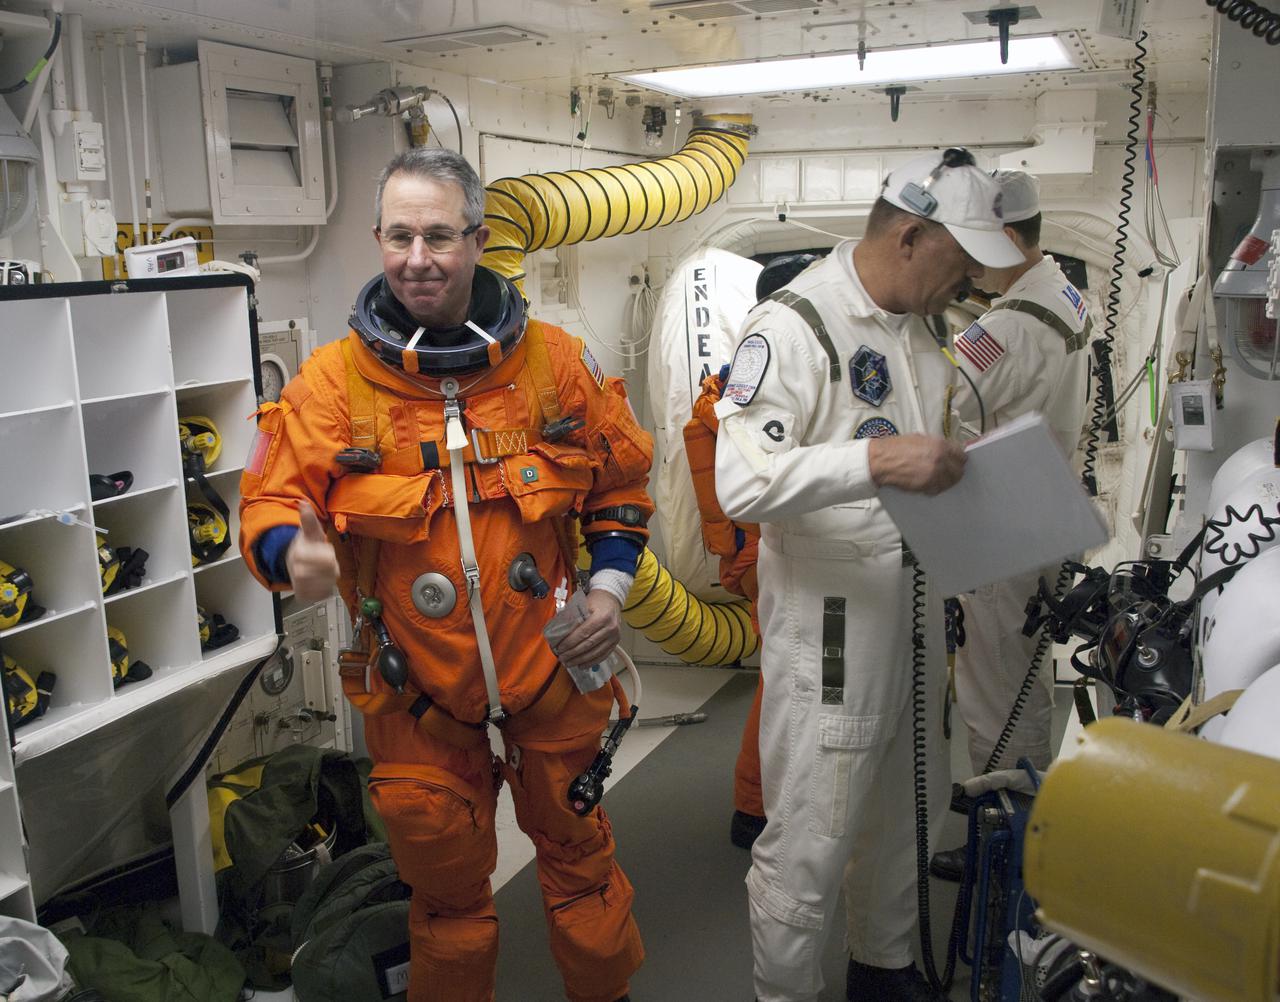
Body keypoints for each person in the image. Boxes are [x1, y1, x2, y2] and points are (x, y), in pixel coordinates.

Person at [238, 148, 653, 1002]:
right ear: (378, 238)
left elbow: (621, 486)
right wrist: (293, 554)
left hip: (552, 670)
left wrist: (608, 592)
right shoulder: (334, 387)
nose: (417, 258)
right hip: (418, 697)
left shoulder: (551, 366)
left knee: (583, 870)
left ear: (478, 238)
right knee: (448, 903)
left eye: (437, 235)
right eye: (398, 236)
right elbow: (268, 502)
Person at [714, 149, 1022, 1002]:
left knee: (903, 816)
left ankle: (882, 971)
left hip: (915, 617)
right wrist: (876, 460)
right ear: (912, 234)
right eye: (959, 264)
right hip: (835, 634)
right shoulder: (795, 328)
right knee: (812, 835)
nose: (966, 285)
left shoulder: (925, 333)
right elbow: (740, 483)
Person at [929, 168, 1091, 880]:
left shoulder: (1000, 332)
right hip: (1047, 508)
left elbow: (942, 422)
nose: (967, 265)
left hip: (1001, 523)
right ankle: (1028, 816)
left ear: (1005, 240)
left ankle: (1003, 844)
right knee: (1028, 679)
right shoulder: (1067, 296)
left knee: (993, 689)